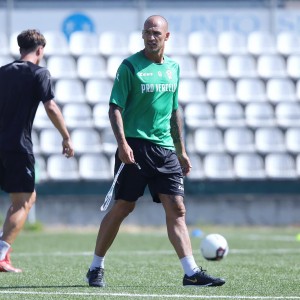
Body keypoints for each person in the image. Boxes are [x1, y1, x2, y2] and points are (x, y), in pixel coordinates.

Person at [86, 15, 225, 287]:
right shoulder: (129, 66)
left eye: (156, 33)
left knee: (178, 208)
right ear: (142, 35)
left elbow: (174, 112)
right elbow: (114, 108)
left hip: (165, 150)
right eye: (147, 32)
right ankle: (95, 267)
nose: (151, 37)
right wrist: (123, 144)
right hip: (135, 147)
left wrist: (181, 150)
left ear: (167, 36)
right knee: (123, 207)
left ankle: (191, 272)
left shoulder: (173, 68)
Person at [0, 29, 74, 272]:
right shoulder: (40, 73)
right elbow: (51, 107)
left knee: (26, 198)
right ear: (40, 50)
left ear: (20, 48)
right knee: (23, 202)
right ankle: (1, 255)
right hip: (17, 147)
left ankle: (3, 253)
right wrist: (65, 136)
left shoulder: (3, 72)